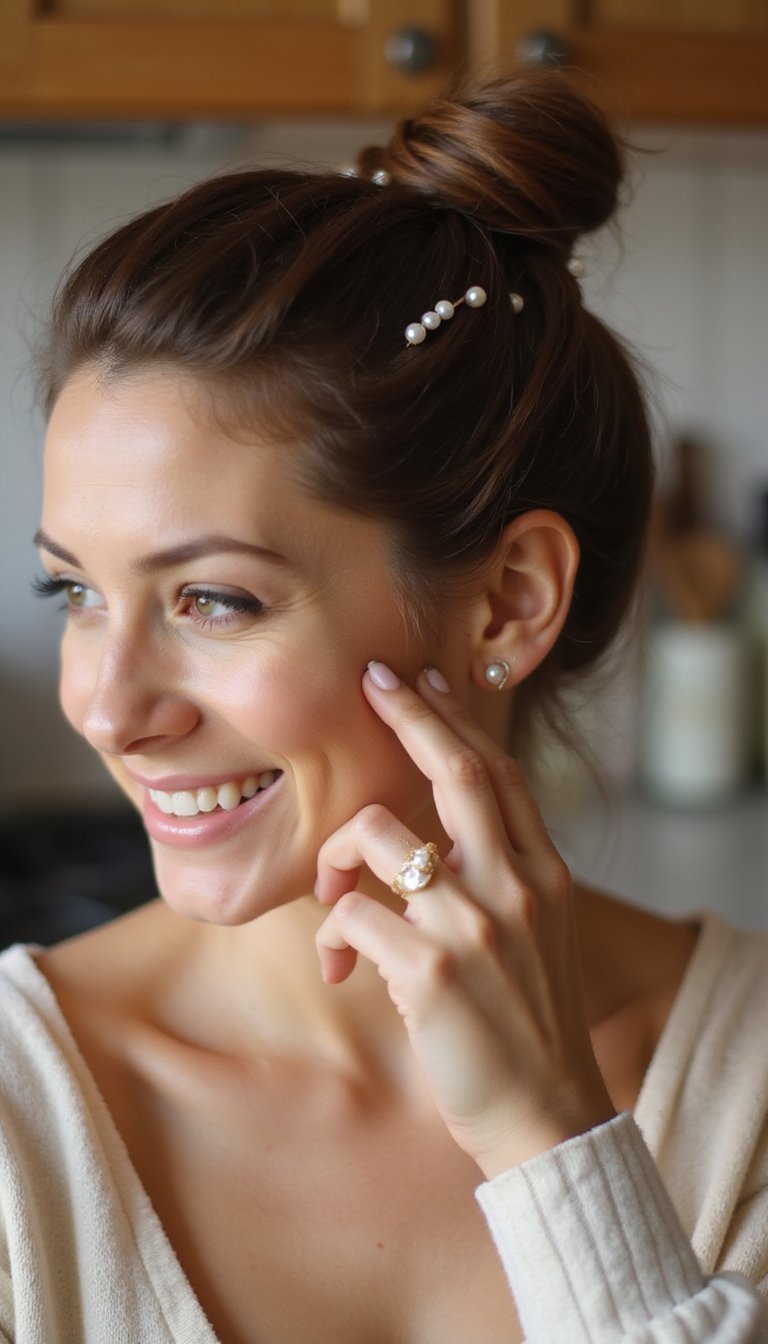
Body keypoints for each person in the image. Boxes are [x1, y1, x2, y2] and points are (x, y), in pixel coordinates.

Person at [2, 67, 766, 1343]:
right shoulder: (22, 1124)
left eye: (213, 601)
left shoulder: (746, 1084)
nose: (107, 706)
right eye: (72, 590)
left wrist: (553, 1138)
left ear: (509, 602)